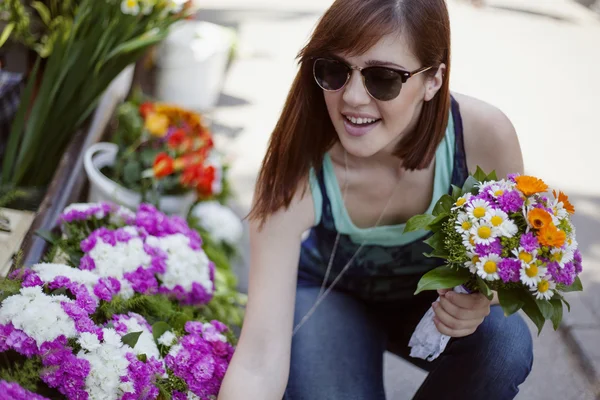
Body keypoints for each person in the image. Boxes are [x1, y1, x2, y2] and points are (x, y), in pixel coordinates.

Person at [218, 0, 533, 399]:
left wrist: (483, 298)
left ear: (434, 79)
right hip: (332, 297)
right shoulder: (298, 165)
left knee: (504, 343)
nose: (351, 98)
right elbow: (259, 359)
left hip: (432, 304)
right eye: (334, 70)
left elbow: (520, 265)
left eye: (382, 78)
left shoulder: (483, 135)